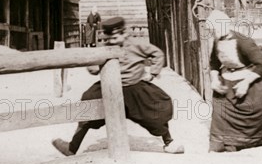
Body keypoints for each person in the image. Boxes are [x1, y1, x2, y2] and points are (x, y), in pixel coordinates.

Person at [52, 16, 184, 155]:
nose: (112, 41)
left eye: (115, 37)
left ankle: (169, 142)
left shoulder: (136, 44)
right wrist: (95, 65)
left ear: (123, 33)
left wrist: (153, 72)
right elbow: (93, 67)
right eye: (110, 38)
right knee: (88, 103)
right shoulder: (105, 47)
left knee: (155, 108)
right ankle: (72, 147)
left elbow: (157, 53)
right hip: (110, 87)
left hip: (134, 87)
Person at [206, 10, 262, 152]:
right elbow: (213, 63)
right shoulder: (217, 41)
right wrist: (214, 79)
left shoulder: (243, 41)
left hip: (250, 78)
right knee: (219, 107)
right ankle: (221, 145)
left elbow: (261, 64)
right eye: (212, 29)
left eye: (216, 28)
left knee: (257, 112)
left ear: (225, 25)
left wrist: (245, 83)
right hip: (228, 79)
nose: (214, 32)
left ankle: (255, 143)